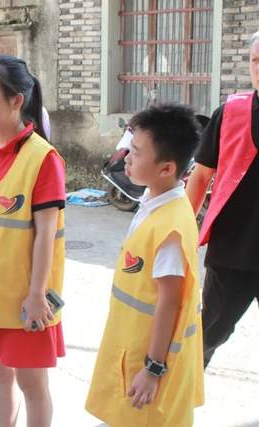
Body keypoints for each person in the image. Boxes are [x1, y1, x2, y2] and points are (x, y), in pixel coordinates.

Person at [0, 55, 66, 427]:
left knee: (31, 383)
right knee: (0, 374)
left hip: (25, 299)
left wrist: (37, 295)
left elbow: (46, 235)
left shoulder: (43, 158)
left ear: (16, 100)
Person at [86, 104, 204, 426]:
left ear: (166, 168)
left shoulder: (170, 228)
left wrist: (153, 369)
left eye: (136, 152)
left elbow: (169, 301)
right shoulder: (155, 201)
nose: (126, 157)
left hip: (147, 360)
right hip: (132, 344)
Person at [186, 31, 259, 368]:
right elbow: (201, 176)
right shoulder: (231, 113)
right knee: (208, 332)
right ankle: (181, 392)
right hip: (232, 249)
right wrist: (182, 231)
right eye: (255, 61)